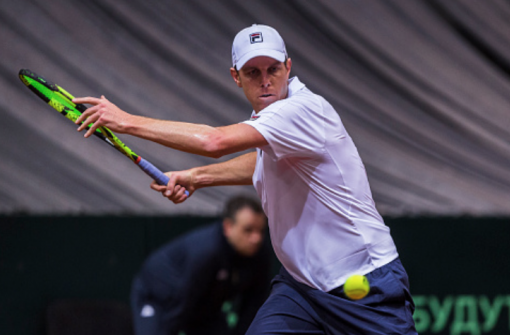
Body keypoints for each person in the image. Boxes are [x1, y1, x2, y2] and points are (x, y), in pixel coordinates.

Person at [74, 24, 417, 334]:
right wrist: (197, 177)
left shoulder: (304, 110)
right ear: (236, 77)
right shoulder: (270, 122)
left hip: (364, 284)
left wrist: (124, 121)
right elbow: (261, 164)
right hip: (301, 289)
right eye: (253, 72)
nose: (265, 80)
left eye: (273, 69)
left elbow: (214, 142)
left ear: (289, 67)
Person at [130, 195, 271, 335]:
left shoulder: (260, 254)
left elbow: (253, 305)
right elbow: (182, 304)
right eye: (248, 230)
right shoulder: (206, 252)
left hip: (203, 308)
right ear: (228, 227)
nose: (256, 238)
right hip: (159, 299)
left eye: (261, 231)